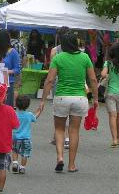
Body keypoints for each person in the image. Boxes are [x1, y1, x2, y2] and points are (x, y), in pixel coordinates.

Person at [39, 31, 97, 173]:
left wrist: (43, 100)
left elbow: (50, 80)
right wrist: (95, 98)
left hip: (62, 97)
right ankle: (72, 165)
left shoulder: (58, 58)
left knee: (59, 129)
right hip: (79, 98)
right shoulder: (85, 57)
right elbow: (93, 80)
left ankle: (60, 158)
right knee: (74, 130)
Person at [11, 95, 42, 174]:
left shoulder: (14, 114)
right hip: (26, 138)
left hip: (16, 137)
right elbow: (35, 117)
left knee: (15, 150)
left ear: (16, 104)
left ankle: (15, 163)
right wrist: (39, 110)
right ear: (28, 105)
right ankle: (22, 167)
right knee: (25, 153)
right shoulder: (29, 115)